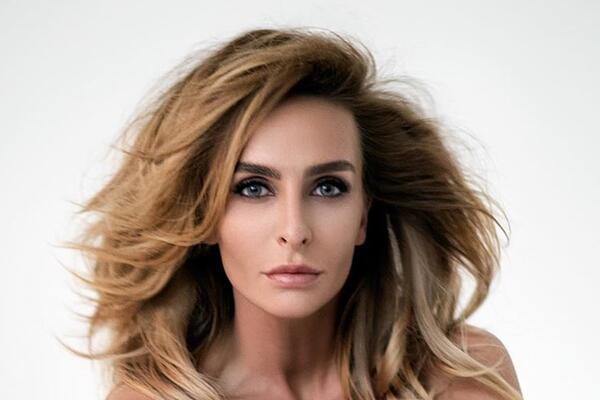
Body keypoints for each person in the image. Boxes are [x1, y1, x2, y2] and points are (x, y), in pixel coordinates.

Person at [66, 27, 523, 400]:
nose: (294, 230)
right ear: (204, 215)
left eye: (328, 187)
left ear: (363, 215)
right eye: (253, 188)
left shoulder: (460, 376)